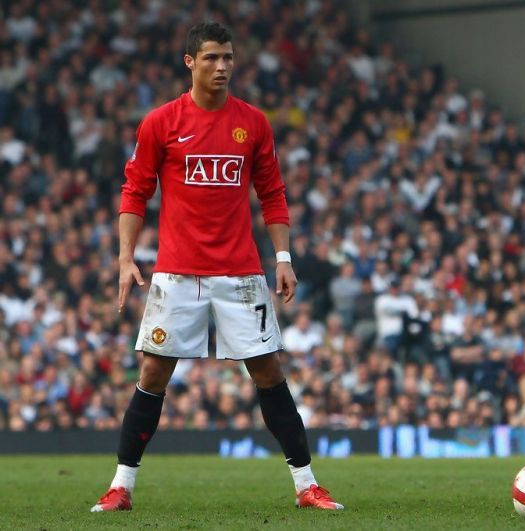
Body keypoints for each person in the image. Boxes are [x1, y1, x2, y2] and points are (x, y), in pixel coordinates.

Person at [90, 22, 342, 512]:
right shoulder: (161, 122)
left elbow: (273, 194)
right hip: (177, 273)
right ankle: (121, 487)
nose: (222, 66)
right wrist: (124, 258)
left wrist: (283, 258)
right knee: (153, 371)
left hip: (241, 274)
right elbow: (134, 192)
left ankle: (307, 485)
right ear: (190, 62)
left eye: (227, 57)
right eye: (211, 58)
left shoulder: (253, 123)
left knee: (268, 370)